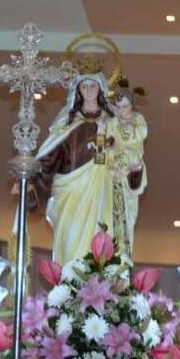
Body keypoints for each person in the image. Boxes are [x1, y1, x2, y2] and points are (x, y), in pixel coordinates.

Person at [24, 68, 143, 265]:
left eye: (93, 86)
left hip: (104, 192)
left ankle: (101, 282)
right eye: (84, 86)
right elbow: (50, 159)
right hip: (72, 195)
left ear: (100, 88)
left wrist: (135, 170)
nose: (88, 91)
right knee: (71, 252)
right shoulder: (67, 122)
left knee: (102, 247)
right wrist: (30, 184)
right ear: (78, 90)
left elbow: (129, 154)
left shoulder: (114, 121)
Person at [106, 84, 147, 258]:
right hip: (114, 160)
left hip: (131, 158)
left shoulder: (138, 119)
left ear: (132, 105)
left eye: (125, 106)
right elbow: (105, 136)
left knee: (127, 216)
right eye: (119, 106)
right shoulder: (113, 120)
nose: (122, 110)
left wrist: (126, 124)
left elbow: (140, 134)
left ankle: (122, 253)